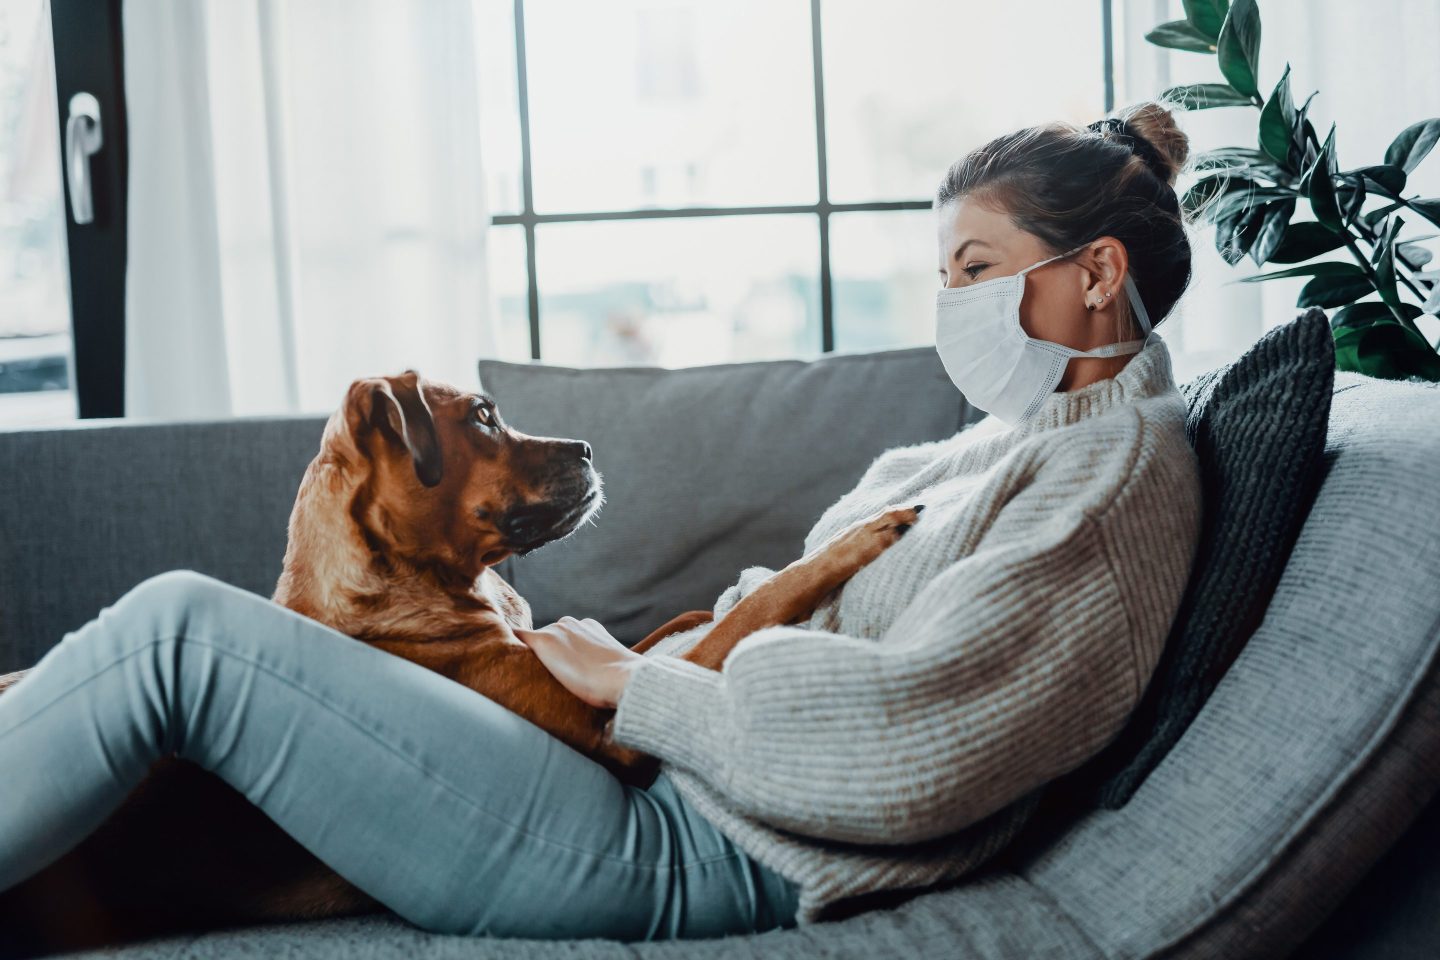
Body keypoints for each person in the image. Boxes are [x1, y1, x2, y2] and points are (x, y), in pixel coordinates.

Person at [0, 100, 1203, 942]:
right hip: (667, 783)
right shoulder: (1000, 440)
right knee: (138, 659)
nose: (951, 308)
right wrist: (657, 673)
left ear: (1096, 274)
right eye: (945, 275)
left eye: (977, 272)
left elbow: (910, 766)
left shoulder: (1106, 491)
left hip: (690, 850)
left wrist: (638, 689)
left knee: (180, 639)